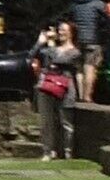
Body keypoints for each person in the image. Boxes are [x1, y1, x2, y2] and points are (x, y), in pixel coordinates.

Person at [31, 18, 81, 155]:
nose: (60, 32)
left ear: (71, 33)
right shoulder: (50, 49)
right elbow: (31, 56)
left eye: (63, 30)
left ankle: (67, 151)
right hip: (47, 86)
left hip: (66, 88)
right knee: (47, 121)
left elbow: (61, 60)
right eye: (59, 30)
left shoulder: (75, 52)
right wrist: (39, 42)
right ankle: (48, 151)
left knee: (66, 122)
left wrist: (50, 45)